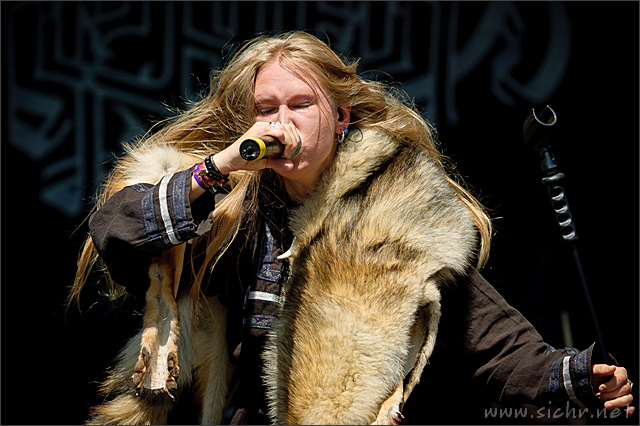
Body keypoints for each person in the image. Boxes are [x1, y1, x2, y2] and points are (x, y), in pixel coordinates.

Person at [70, 30, 633, 424]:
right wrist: (219, 166)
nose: (280, 124)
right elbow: (117, 234)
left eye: (300, 105)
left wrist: (579, 375)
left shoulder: (396, 211)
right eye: (266, 109)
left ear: (339, 117)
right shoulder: (229, 207)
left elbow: (493, 345)